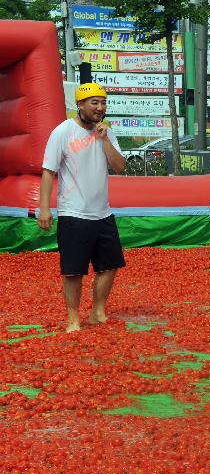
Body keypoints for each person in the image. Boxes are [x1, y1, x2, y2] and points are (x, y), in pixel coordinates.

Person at [38, 82, 127, 333]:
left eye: (103, 103)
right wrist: (44, 208)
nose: (100, 108)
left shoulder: (107, 132)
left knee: (109, 266)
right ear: (79, 105)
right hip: (73, 213)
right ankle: (73, 318)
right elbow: (48, 171)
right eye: (94, 103)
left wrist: (105, 139)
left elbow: (119, 167)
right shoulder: (63, 132)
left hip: (103, 212)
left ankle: (98, 311)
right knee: (74, 270)